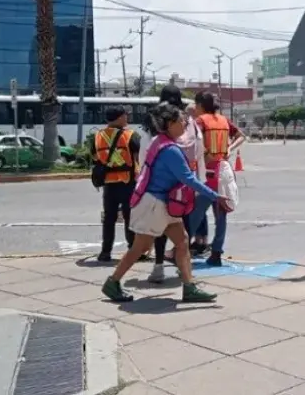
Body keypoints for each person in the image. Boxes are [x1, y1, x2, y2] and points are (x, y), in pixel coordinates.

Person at [102, 104, 226, 303]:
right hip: (155, 205)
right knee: (140, 248)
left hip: (162, 204)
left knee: (183, 241)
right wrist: (215, 195)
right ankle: (113, 282)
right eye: (181, 122)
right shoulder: (170, 150)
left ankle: (189, 286)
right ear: (169, 124)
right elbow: (188, 179)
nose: (184, 125)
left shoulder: (160, 141)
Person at [146, 86, 206, 283]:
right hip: (185, 185)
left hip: (160, 183)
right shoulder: (189, 123)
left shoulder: (157, 122)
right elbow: (199, 150)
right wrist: (199, 180)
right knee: (184, 229)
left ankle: (158, 267)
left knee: (160, 227)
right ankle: (184, 270)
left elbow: (146, 152)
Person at [184, 92, 245, 267]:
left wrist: (205, 155)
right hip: (223, 170)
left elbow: (192, 142)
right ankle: (216, 252)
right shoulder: (224, 120)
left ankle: (182, 250)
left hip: (207, 173)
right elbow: (241, 135)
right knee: (221, 214)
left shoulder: (200, 121)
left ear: (200, 105)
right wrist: (229, 148)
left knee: (194, 214)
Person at [92, 106, 141, 262]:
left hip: (108, 183)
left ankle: (105, 252)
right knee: (130, 218)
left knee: (109, 219)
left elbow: (95, 157)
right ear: (119, 118)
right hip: (127, 182)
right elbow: (138, 156)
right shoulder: (130, 135)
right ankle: (133, 251)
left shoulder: (97, 136)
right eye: (125, 115)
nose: (127, 118)